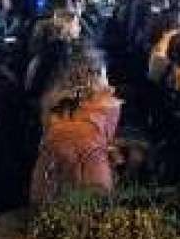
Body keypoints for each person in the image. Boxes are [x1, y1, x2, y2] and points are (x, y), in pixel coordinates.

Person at [30, 55, 121, 205]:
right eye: (106, 77)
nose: (110, 86)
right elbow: (96, 190)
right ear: (92, 80)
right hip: (85, 194)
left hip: (46, 197)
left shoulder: (56, 112)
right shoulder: (99, 113)